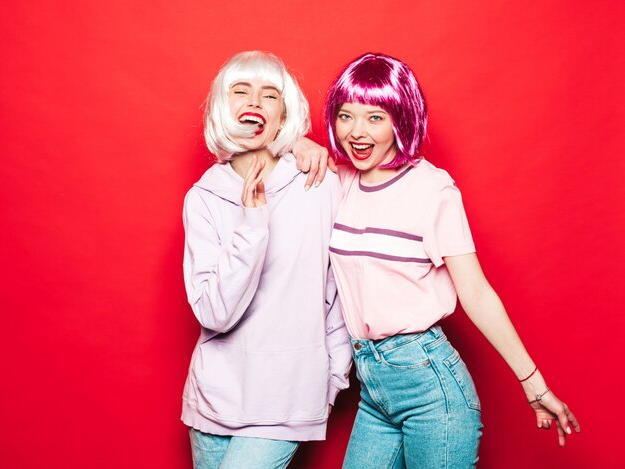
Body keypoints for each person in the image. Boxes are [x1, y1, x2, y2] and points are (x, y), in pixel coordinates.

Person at [296, 52, 580, 467]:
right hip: (372, 386)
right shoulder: (339, 181)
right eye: (345, 115)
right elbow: (261, 148)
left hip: (430, 385)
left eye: (375, 117)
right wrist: (298, 142)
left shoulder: (433, 190)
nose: (356, 132)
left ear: (402, 118)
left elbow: (477, 293)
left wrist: (534, 385)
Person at [181, 51, 351, 469]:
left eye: (269, 95)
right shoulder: (202, 198)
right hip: (213, 401)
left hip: (287, 400)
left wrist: (330, 384)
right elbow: (213, 314)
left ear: (282, 115)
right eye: (241, 91)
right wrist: (253, 223)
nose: (254, 101)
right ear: (224, 109)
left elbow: (340, 294)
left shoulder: (320, 184)